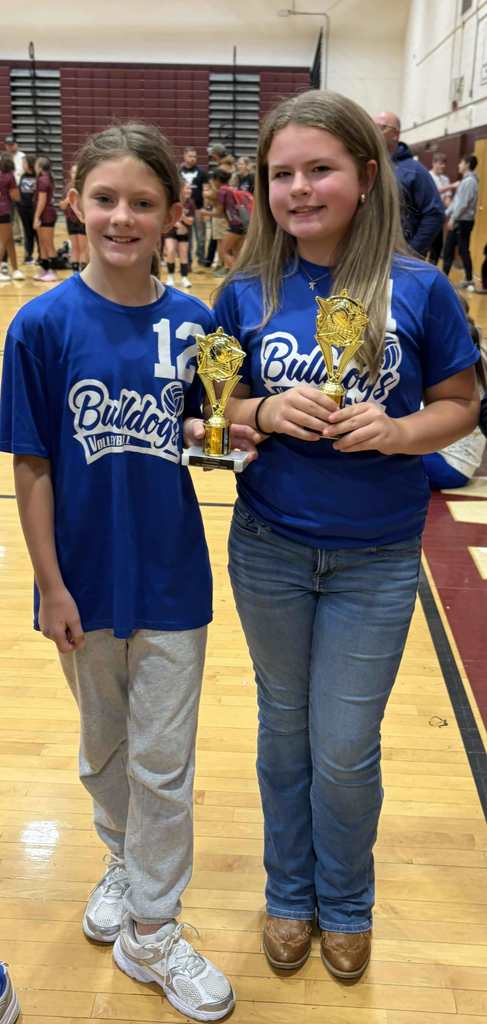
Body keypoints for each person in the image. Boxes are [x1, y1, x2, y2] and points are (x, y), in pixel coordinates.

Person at [213, 89, 479, 981]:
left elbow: (459, 406)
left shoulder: (421, 288)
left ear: (365, 177)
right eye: (280, 173)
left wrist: (400, 432)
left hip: (375, 555)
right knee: (281, 732)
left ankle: (348, 901)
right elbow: (207, 410)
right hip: (269, 548)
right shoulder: (244, 293)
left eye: (318, 169)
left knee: (342, 744)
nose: (298, 188)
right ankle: (289, 894)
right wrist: (257, 406)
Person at [0, 121, 258, 1023]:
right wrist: (51, 586)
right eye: (104, 199)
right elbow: (30, 465)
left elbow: (218, 427)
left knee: (162, 763)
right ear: (73, 203)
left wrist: (237, 430)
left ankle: (154, 925)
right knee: (104, 751)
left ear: (172, 214)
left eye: (142, 202)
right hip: (79, 581)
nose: (121, 216)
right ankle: (122, 858)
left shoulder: (198, 323)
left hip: (172, 580)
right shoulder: (38, 325)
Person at [423, 297, 486, 488]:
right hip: (455, 463)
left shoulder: (455, 375)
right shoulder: (479, 363)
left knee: (382, 460)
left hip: (448, 465)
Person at [374, 111, 444, 256]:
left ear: (396, 134)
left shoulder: (414, 171)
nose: (373, 131)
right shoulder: (365, 166)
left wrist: (411, 252)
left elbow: (434, 213)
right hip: (366, 255)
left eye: (380, 127)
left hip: (398, 258)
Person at [442, 154, 479, 289]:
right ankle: (444, 277)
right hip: (459, 220)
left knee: (462, 250)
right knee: (450, 249)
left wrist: (453, 218)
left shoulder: (469, 182)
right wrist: (445, 214)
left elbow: (463, 204)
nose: (459, 165)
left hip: (462, 221)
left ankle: (469, 279)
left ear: (467, 164)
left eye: (461, 163)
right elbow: (457, 202)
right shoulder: (465, 181)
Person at [207, 168, 253, 275]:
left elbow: (218, 213)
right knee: (237, 253)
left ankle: (237, 275)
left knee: (224, 251)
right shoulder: (231, 189)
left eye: (213, 180)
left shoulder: (222, 191)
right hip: (244, 223)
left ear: (216, 180)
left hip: (236, 225)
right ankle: (241, 275)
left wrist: (205, 213)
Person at [179, 146, 207, 265]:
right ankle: (188, 260)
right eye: (190, 156)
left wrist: (205, 209)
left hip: (199, 208)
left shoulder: (201, 172)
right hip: (185, 208)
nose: (193, 159)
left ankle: (201, 258)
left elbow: (205, 192)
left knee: (200, 236)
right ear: (184, 156)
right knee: (187, 236)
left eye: (195, 156)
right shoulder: (178, 172)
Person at [164, 181, 194, 288]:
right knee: (171, 250)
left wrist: (182, 216)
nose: (189, 190)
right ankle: (170, 277)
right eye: (187, 188)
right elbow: (167, 218)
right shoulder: (173, 201)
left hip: (184, 231)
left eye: (190, 189)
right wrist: (177, 224)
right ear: (181, 190)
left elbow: (190, 221)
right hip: (171, 230)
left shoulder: (190, 203)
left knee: (183, 254)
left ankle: (184, 278)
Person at [59, 163, 89, 272]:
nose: (74, 174)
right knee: (75, 247)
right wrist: (68, 199)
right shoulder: (67, 187)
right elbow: (62, 205)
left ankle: (83, 273)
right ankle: (74, 273)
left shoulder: (84, 186)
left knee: (83, 248)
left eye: (76, 172)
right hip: (70, 219)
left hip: (81, 219)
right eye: (72, 172)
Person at [0, 153, 25, 281]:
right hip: (4, 211)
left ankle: (15, 269)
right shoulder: (9, 176)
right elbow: (15, 196)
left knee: (9, 241)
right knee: (3, 242)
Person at [33, 156, 58, 282]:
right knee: (42, 243)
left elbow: (42, 201)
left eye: (36, 164)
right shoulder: (44, 178)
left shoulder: (43, 180)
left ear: (40, 167)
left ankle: (53, 271)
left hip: (46, 215)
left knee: (48, 243)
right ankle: (44, 269)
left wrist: (36, 217)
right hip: (45, 214)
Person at [428, 151, 451, 265]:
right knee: (425, 247)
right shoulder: (428, 176)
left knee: (437, 248)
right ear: (434, 163)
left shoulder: (445, 179)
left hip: (439, 218)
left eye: (444, 164)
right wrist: (451, 186)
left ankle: (431, 271)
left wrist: (452, 212)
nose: (443, 166)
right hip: (427, 217)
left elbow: (447, 198)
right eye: (441, 163)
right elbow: (434, 192)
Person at [18, 153, 37, 264]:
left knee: (37, 234)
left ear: (29, 164)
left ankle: (41, 256)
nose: (23, 165)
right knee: (27, 233)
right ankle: (28, 256)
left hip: (34, 209)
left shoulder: (37, 176)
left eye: (24, 163)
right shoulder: (23, 176)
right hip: (23, 208)